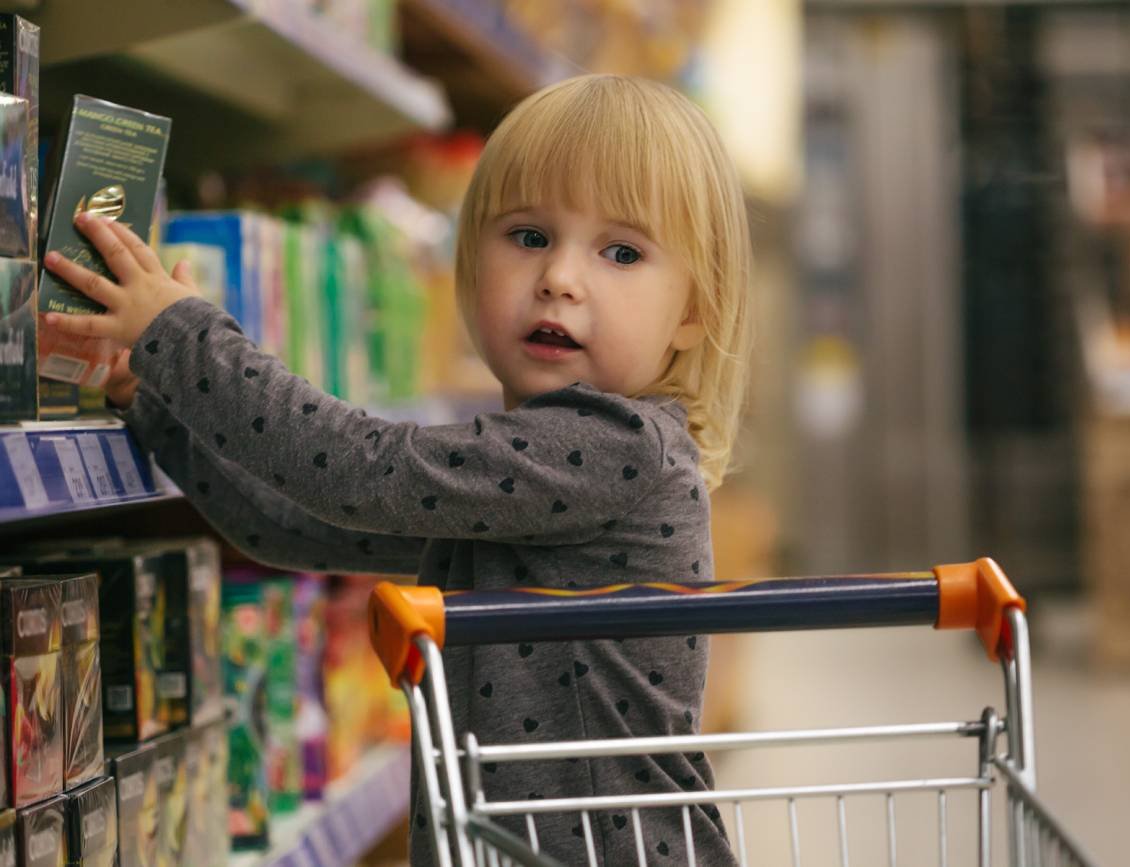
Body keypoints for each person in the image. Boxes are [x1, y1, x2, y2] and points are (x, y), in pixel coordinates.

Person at [41, 73, 753, 866]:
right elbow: (288, 525)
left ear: (696, 311)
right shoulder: (519, 477)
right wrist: (152, 398)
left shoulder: (619, 449)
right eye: (527, 236)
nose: (559, 277)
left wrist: (181, 333)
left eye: (621, 252)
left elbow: (356, 469)